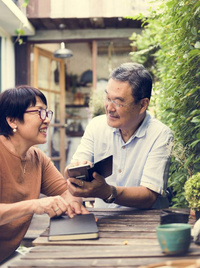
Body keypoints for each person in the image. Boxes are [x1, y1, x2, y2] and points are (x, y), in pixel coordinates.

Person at [65, 63, 174, 209]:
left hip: (144, 223)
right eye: (108, 98)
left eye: (118, 102)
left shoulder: (160, 134)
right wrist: (74, 174)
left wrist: (108, 192)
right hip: (103, 220)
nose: (109, 108)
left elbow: (149, 195)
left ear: (142, 105)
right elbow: (73, 169)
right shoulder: (96, 126)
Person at [0, 85, 88, 264]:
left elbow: (67, 193)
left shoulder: (37, 157)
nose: (46, 120)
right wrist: (34, 205)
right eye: (39, 112)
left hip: (6, 256)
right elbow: (36, 205)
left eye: (47, 113)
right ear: (12, 121)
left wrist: (77, 180)